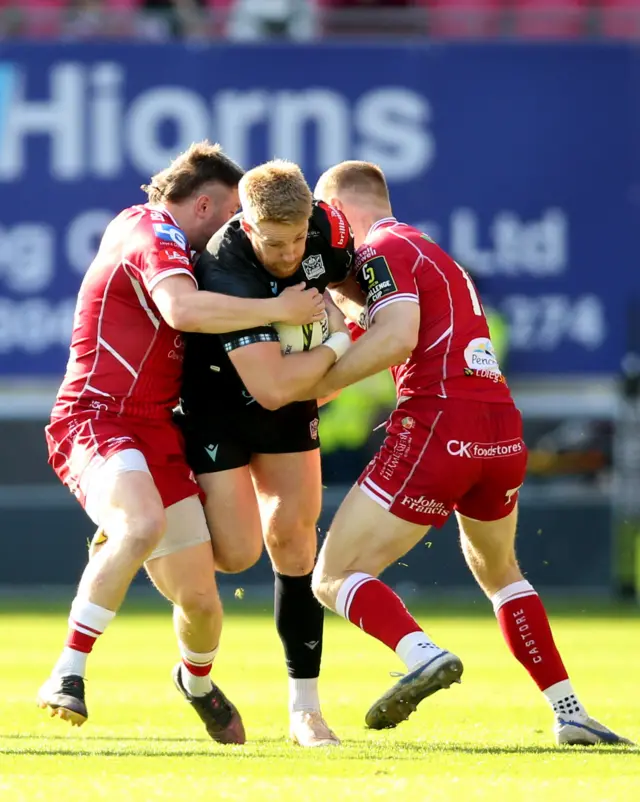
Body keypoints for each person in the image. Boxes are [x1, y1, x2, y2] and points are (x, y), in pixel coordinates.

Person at [303, 160, 632, 747]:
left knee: (331, 576)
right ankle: (571, 711)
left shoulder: (381, 246)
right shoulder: (427, 252)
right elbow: (388, 327)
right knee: (500, 569)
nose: (327, 236)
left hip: (438, 423)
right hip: (500, 429)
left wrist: (305, 386)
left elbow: (397, 338)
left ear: (343, 208)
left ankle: (421, 653)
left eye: (327, 220)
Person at [37, 142, 325, 746]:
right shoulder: (150, 227)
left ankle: (195, 683)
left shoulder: (187, 246)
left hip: (159, 432)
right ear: (204, 203)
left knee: (216, 586)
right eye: (229, 220)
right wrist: (279, 311)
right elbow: (180, 308)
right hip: (98, 416)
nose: (233, 239)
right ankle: (69, 671)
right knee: (139, 526)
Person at [175, 159, 353, 747]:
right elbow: (271, 387)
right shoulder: (226, 265)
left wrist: (344, 317)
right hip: (220, 404)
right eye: (274, 243)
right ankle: (145, 520)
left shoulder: (328, 229)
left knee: (296, 540)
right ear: (246, 225)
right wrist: (336, 343)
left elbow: (362, 293)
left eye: (298, 238)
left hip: (289, 398)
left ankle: (305, 708)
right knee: (237, 553)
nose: (289, 253)